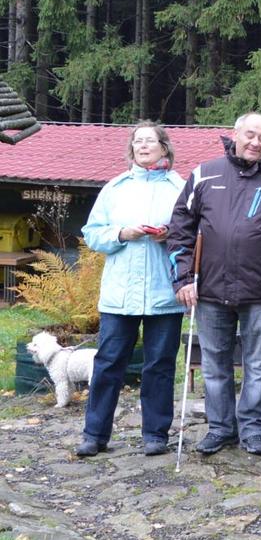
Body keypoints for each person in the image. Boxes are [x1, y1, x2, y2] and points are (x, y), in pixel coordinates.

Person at [167, 112, 261, 458]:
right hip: (208, 289)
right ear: (235, 135)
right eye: (250, 135)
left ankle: (253, 431)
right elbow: (180, 227)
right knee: (214, 364)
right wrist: (181, 277)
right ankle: (220, 429)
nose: (255, 143)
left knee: (258, 365)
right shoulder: (204, 174)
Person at [76, 122, 186, 457]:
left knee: (160, 365)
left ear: (164, 147)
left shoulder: (179, 187)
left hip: (164, 292)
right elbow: (93, 233)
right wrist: (123, 234)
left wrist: (168, 233)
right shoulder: (115, 187)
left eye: (150, 141)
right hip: (119, 294)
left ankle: (155, 435)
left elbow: (193, 232)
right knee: (108, 363)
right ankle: (95, 435)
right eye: (137, 141)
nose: (143, 146)